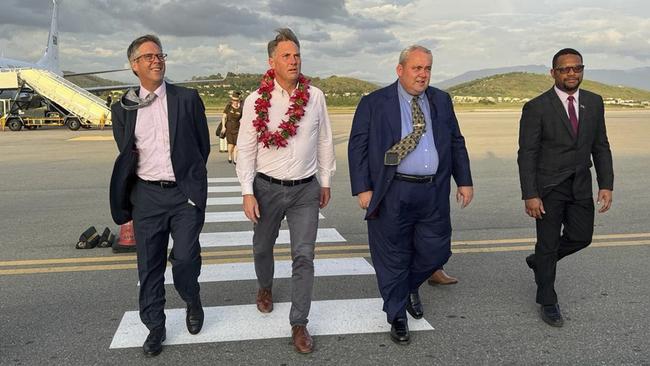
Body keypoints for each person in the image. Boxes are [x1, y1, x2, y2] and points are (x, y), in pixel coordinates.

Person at [348, 45, 473, 344]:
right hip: (392, 189)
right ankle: (397, 315)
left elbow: (456, 141)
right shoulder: (375, 102)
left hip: (433, 189)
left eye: (427, 68)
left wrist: (464, 181)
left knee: (436, 250)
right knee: (392, 255)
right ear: (400, 69)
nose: (423, 74)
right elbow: (358, 147)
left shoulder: (441, 100)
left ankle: (407, 288)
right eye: (417, 68)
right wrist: (363, 188)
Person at [108, 34, 210, 357]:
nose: (157, 60)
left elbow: (201, 147)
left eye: (160, 55)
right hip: (147, 197)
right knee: (149, 267)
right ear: (134, 65)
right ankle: (155, 326)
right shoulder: (123, 108)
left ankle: (192, 298)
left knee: (185, 260)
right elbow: (126, 151)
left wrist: (192, 187)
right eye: (149, 57)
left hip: (182, 195)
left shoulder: (187, 99)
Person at [236, 28, 335, 354]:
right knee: (262, 247)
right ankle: (265, 287)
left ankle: (299, 322)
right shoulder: (255, 101)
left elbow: (324, 140)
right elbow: (246, 148)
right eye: (286, 56)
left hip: (305, 190)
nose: (294, 61)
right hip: (266, 187)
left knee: (303, 256)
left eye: (297, 55)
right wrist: (247, 191)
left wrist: (325, 180)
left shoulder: (315, 96)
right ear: (271, 61)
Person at [517, 48, 613, 327]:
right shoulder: (537, 107)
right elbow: (527, 153)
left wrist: (605, 184)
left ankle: (540, 262)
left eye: (577, 68)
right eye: (565, 69)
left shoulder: (594, 102)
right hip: (548, 187)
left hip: (581, 184)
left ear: (582, 70)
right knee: (547, 244)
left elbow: (601, 146)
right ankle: (547, 300)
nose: (572, 73)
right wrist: (530, 194)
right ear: (553, 73)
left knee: (582, 237)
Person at [223, 91, 243, 164]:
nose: (235, 102)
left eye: (236, 100)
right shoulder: (228, 106)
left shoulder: (241, 108)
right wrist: (223, 127)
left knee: (237, 144)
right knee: (231, 144)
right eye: (233, 100)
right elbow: (224, 117)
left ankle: (235, 159)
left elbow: (242, 118)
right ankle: (229, 156)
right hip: (229, 126)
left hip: (237, 127)